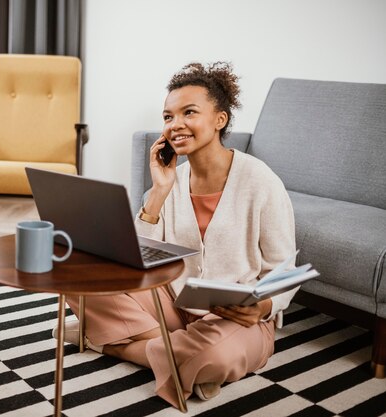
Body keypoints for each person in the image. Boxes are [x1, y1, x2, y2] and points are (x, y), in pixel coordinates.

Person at [59, 62, 297, 406]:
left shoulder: (261, 181)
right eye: (168, 117)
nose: (175, 125)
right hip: (173, 305)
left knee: (214, 358)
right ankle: (178, 356)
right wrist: (158, 191)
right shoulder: (173, 180)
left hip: (235, 318)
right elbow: (139, 260)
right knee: (79, 282)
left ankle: (104, 340)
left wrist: (264, 307)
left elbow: (284, 268)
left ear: (220, 119)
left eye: (189, 112)